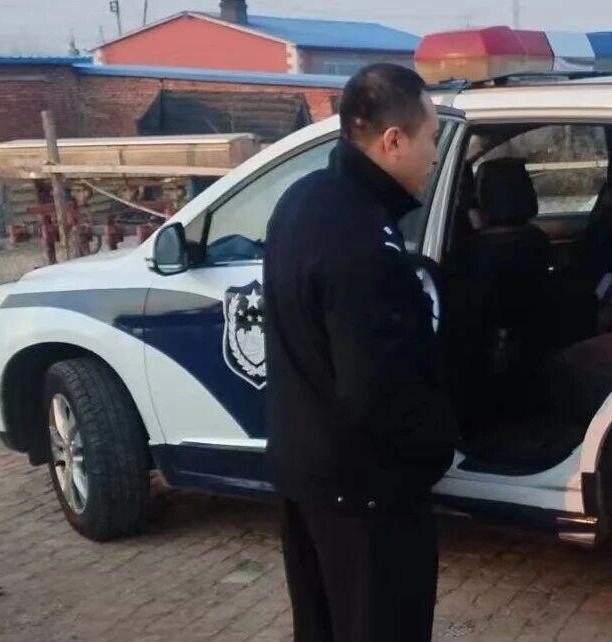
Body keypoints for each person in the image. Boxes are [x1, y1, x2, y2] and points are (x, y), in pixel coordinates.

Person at [264, 63, 457, 641]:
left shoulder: (300, 201)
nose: (436, 156)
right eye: (432, 139)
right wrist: (437, 447)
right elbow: (378, 389)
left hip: (309, 479)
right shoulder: (366, 242)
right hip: (367, 495)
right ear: (393, 142)